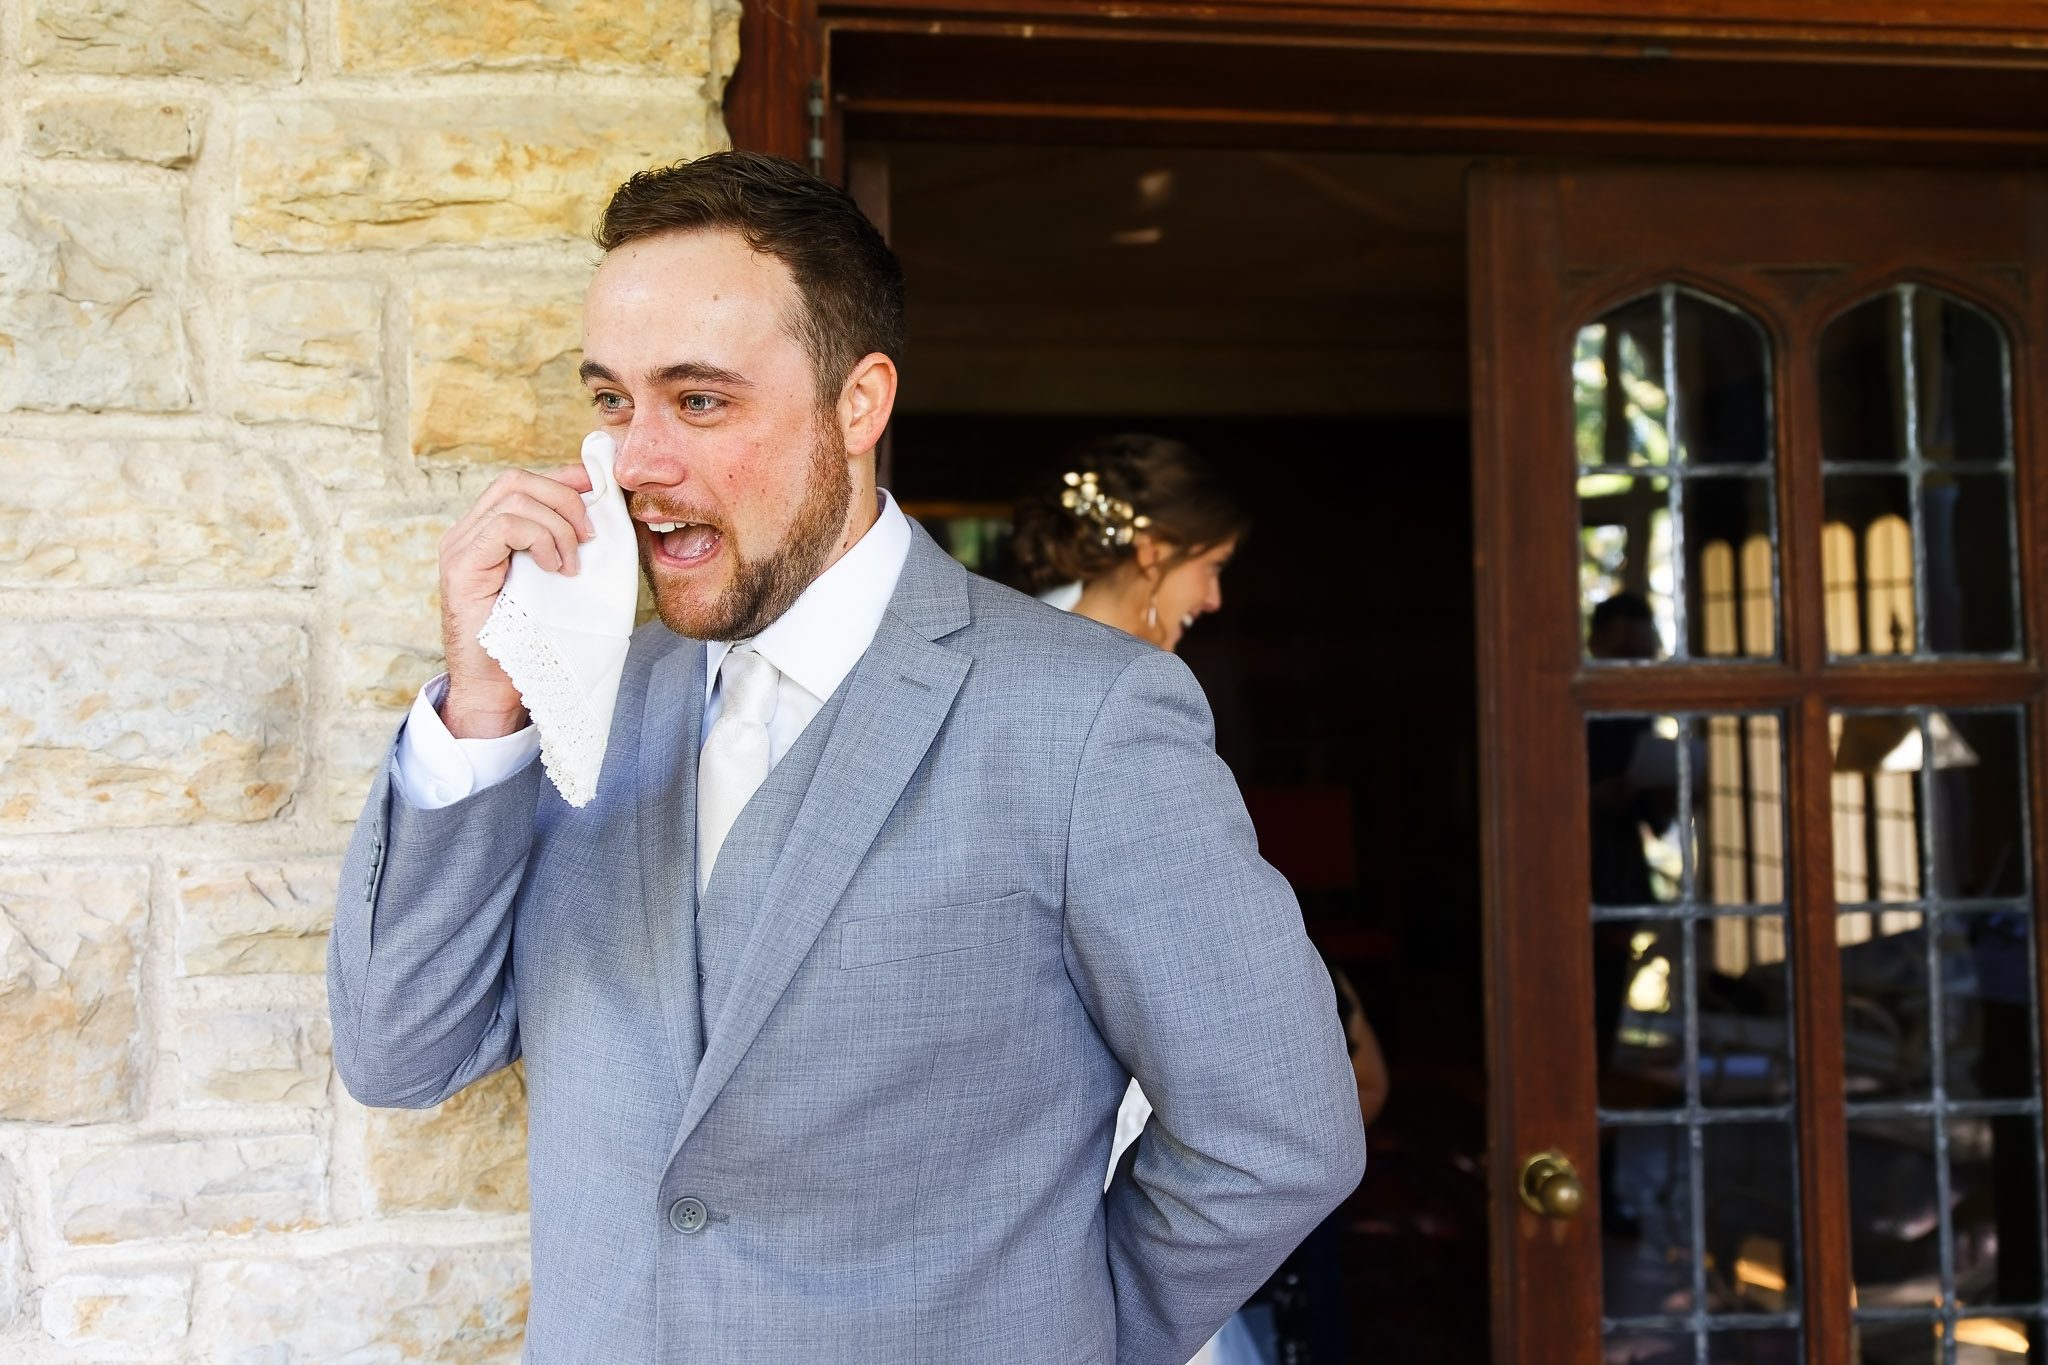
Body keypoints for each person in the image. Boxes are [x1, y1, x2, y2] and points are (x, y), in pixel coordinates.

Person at [328, 151, 1364, 1364]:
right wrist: (482, 703)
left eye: (697, 401)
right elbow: (403, 1053)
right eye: (611, 401)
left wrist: (1056, 1338)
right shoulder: (569, 697)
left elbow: (1274, 1137)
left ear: (859, 404)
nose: (637, 462)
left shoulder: (1090, 718)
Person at [1013, 441, 1389, 1365]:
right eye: (1210, 566)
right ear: (1152, 552)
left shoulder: (1028, 648)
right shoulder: (1108, 690)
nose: (1215, 598)